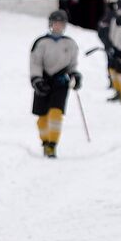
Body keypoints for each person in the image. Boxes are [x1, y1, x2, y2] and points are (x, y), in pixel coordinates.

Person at [30, 10, 82, 158]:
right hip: (43, 81)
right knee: (42, 117)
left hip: (60, 82)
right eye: (55, 23)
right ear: (50, 24)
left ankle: (52, 145)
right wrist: (36, 80)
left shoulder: (70, 43)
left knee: (56, 113)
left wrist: (75, 75)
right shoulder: (41, 43)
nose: (58, 26)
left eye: (61, 24)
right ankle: (45, 141)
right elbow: (35, 63)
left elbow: (72, 64)